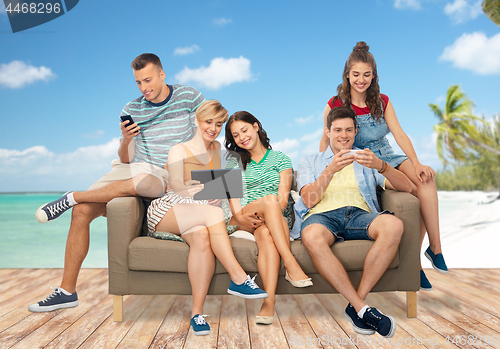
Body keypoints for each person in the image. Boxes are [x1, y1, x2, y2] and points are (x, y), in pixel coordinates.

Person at [29, 53, 204, 312]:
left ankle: (74, 195)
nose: (144, 88)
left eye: (148, 80)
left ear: (162, 74)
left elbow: (201, 140)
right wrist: (125, 139)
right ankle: (67, 291)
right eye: (138, 83)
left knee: (147, 183)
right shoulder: (131, 109)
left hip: (167, 170)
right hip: (132, 167)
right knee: (81, 212)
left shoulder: (189, 97)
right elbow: (125, 158)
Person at [319, 41, 448, 291]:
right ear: (347, 74)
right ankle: (416, 266)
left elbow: (399, 134)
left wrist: (417, 162)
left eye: (367, 75)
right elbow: (326, 137)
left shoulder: (383, 101)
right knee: (411, 192)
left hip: (388, 154)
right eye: (356, 74)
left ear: (373, 76)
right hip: (362, 160)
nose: (361, 79)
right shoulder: (335, 103)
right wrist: (324, 166)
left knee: (426, 181)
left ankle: (435, 247)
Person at [146, 100, 267, 336]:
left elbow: (217, 183)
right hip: (168, 210)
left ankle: (197, 314)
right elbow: (177, 185)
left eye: (218, 124)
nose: (213, 128)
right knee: (211, 214)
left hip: (196, 213)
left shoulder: (216, 148)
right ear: (197, 120)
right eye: (208, 122)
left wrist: (213, 194)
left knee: (202, 238)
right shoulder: (178, 149)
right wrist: (190, 189)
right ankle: (238, 278)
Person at [296, 106, 413, 338]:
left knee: (394, 225)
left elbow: (407, 187)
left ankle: (356, 305)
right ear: (328, 132)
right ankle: (362, 309)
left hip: (359, 214)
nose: (344, 135)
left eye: (349, 130)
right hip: (323, 216)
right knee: (311, 236)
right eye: (338, 130)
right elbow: (309, 200)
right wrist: (329, 171)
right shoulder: (310, 161)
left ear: (355, 131)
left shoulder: (366, 158)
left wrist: (382, 166)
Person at [224, 111, 312, 325]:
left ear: (256, 126)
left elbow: (283, 202)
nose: (241, 137)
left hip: (273, 216)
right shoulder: (233, 163)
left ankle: (269, 303)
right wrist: (241, 218)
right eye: (235, 135)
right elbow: (234, 204)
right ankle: (290, 263)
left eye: (244, 130)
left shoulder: (281, 159)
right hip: (243, 217)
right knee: (269, 201)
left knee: (266, 233)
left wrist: (267, 214)